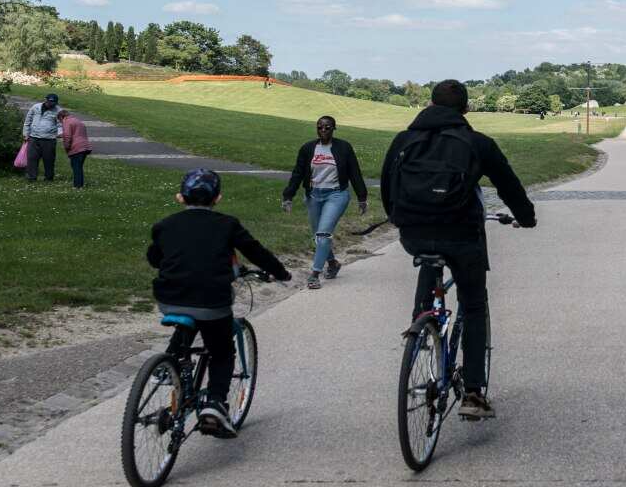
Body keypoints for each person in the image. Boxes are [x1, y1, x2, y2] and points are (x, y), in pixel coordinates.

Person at [381, 79, 537, 420]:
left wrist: (399, 218)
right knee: (474, 304)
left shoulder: (404, 140)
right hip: (462, 236)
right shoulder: (476, 143)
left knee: (430, 258)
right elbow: (508, 185)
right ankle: (472, 392)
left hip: (414, 235)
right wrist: (526, 217)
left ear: (430, 105)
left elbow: (388, 183)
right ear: (465, 109)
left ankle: (420, 323)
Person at [147, 169, 293, 438]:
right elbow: (255, 251)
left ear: (180, 197)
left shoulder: (164, 225)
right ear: (218, 198)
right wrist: (281, 272)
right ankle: (215, 404)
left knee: (188, 317)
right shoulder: (227, 225)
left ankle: (169, 365)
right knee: (222, 351)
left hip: (169, 299)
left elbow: (155, 258)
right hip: (212, 302)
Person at [281, 116, 369, 290]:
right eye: (319, 127)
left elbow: (354, 172)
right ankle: (333, 263)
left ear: (334, 129)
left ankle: (314, 274)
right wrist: (288, 195)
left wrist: (362, 197)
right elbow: (298, 173)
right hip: (313, 195)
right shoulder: (308, 148)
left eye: (327, 128)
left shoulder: (343, 147)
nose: (323, 131)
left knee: (322, 234)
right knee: (318, 235)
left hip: (336, 195)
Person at [21, 93, 62, 182]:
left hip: (49, 139)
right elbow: (28, 121)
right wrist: (25, 134)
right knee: (32, 158)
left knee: (49, 160)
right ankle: (32, 178)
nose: (51, 103)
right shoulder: (35, 107)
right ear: (45, 100)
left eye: (53, 102)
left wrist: (60, 133)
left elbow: (60, 125)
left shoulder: (58, 111)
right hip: (33, 137)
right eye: (49, 101)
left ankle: (48, 178)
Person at [57, 109, 92, 188]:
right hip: (85, 146)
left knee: (76, 167)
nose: (60, 122)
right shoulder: (77, 121)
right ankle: (80, 184)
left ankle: (77, 186)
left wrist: (66, 147)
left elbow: (68, 136)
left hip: (76, 148)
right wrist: (60, 135)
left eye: (60, 120)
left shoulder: (66, 122)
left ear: (62, 117)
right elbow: (76, 132)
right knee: (79, 167)